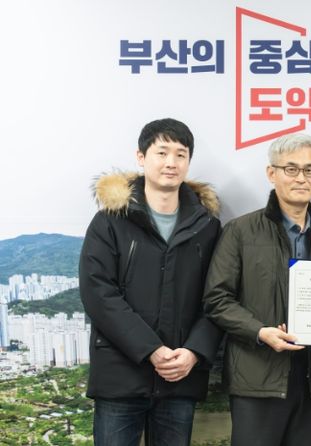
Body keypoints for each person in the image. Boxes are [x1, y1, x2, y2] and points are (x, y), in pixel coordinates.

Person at [79, 118, 222, 445]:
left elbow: (217, 297)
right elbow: (98, 293)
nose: (171, 162)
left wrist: (194, 352)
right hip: (120, 376)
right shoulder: (110, 221)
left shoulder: (207, 226)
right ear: (141, 157)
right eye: (162, 152)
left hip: (180, 376)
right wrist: (151, 350)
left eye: (181, 154)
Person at [202, 133, 311, 446]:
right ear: (271, 173)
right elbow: (216, 299)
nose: (301, 178)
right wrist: (260, 332)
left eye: (310, 170)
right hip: (257, 378)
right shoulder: (240, 231)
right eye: (291, 169)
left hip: (309, 380)